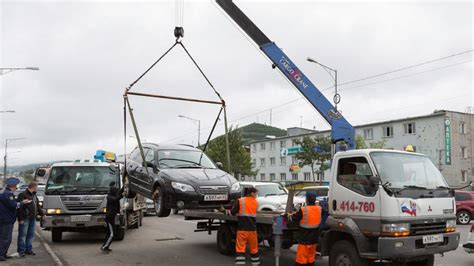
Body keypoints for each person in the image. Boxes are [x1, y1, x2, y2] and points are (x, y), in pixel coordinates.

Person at [0, 177, 30, 261]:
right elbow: (13, 205)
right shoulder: (8, 194)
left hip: (4, 218)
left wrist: (16, 201)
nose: (16, 188)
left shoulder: (3, 192)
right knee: (6, 238)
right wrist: (22, 202)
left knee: (4, 237)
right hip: (6, 219)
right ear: (12, 186)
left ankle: (3, 253)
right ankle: (1, 254)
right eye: (15, 187)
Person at [288, 191, 321, 266]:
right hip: (314, 240)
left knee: (301, 261)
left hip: (304, 240)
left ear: (307, 199)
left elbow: (293, 218)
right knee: (311, 260)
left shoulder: (303, 210)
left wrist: (288, 215)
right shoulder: (319, 209)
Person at [229, 187, 260, 266]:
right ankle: (256, 264)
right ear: (252, 193)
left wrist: (225, 211)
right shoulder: (256, 202)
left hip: (242, 230)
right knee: (254, 249)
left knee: (240, 249)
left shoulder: (240, 201)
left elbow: (233, 212)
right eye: (256, 193)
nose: (256, 195)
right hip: (253, 230)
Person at [17, 181, 45, 257]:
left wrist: (42, 214)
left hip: (33, 218)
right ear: (34, 187)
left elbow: (38, 206)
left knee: (30, 235)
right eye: (37, 187)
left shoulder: (34, 195)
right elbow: (19, 208)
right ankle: (21, 251)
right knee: (23, 235)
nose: (37, 189)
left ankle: (28, 250)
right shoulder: (22, 195)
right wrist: (20, 219)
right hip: (25, 218)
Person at [101, 181, 124, 253]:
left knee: (109, 233)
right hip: (109, 218)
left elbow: (119, 192)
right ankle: (104, 247)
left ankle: (105, 246)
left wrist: (125, 186)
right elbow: (115, 199)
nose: (117, 192)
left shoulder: (113, 195)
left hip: (111, 218)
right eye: (116, 191)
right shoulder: (110, 197)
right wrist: (121, 195)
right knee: (112, 234)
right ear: (113, 192)